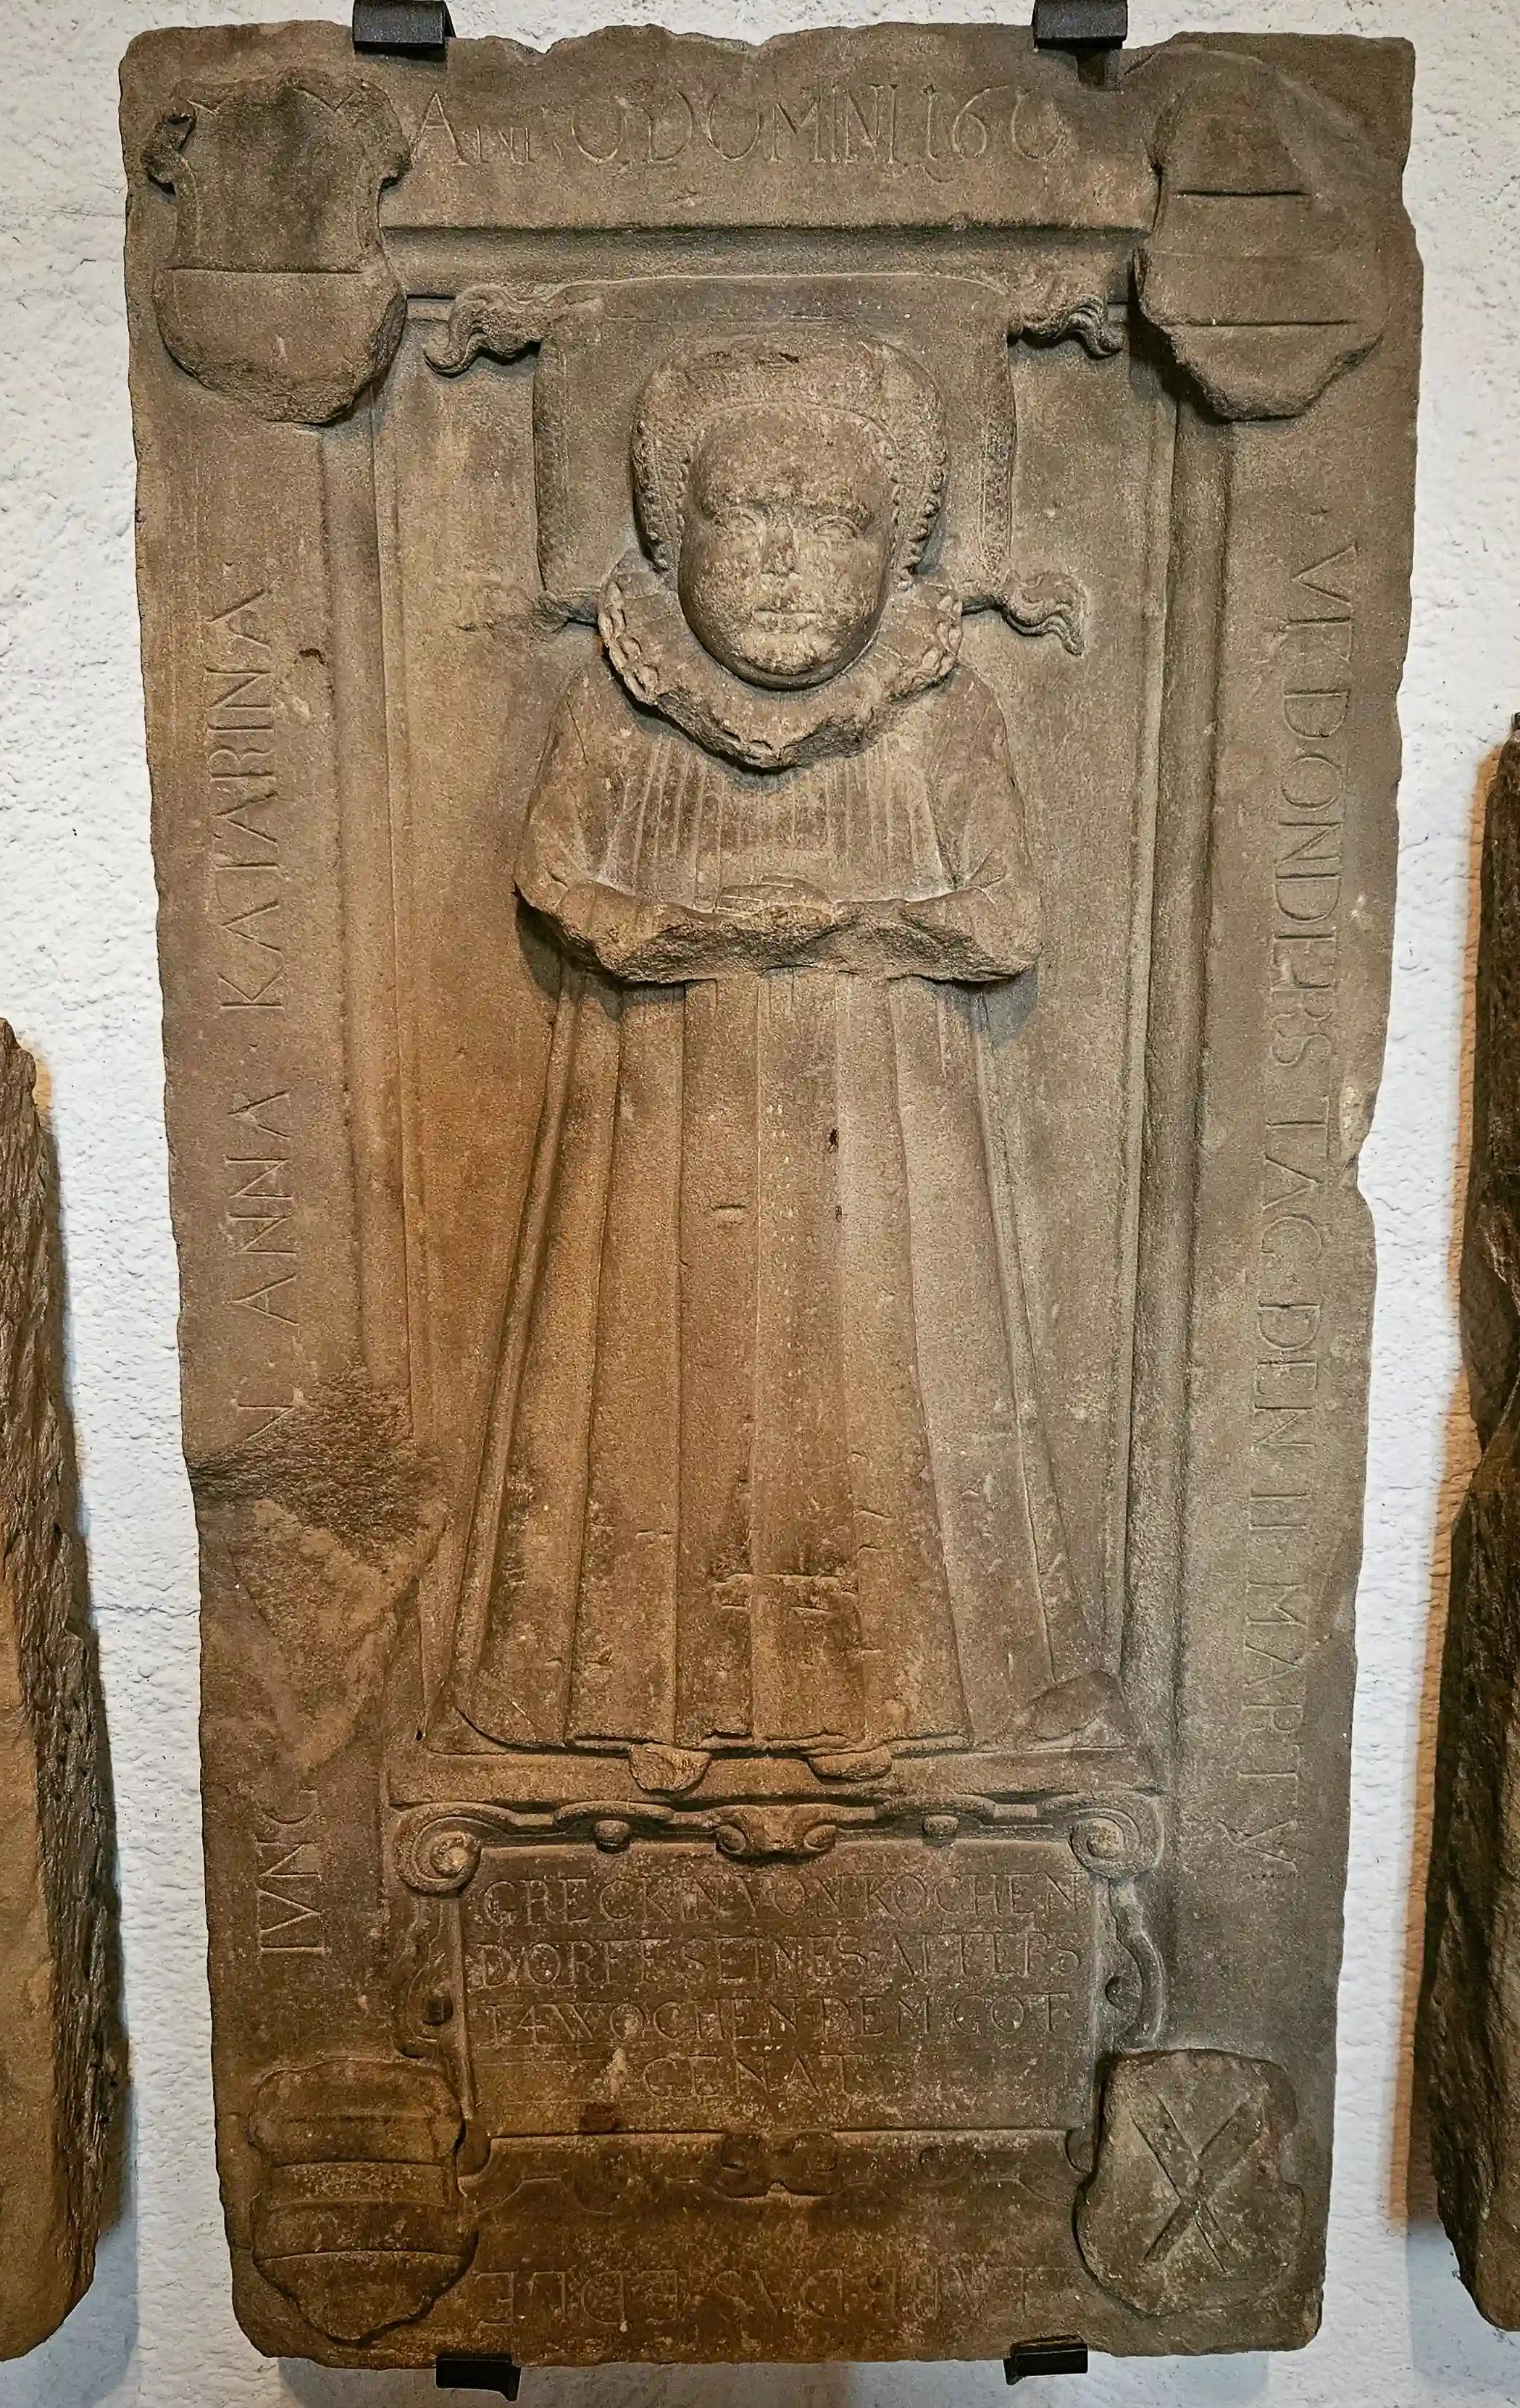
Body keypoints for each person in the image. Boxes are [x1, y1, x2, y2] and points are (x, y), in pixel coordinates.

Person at [444, 333, 1112, 1790]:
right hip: (665, 1118)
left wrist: (860, 928)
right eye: (751, 519)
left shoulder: (940, 717)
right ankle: (644, 1705)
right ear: (680, 535)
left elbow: (1002, 920)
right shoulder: (619, 708)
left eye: (833, 527)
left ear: (895, 554)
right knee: (649, 1382)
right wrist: (662, 928)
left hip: (884, 1131)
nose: (786, 565)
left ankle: (898, 1697)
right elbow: (553, 878)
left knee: (881, 1392)